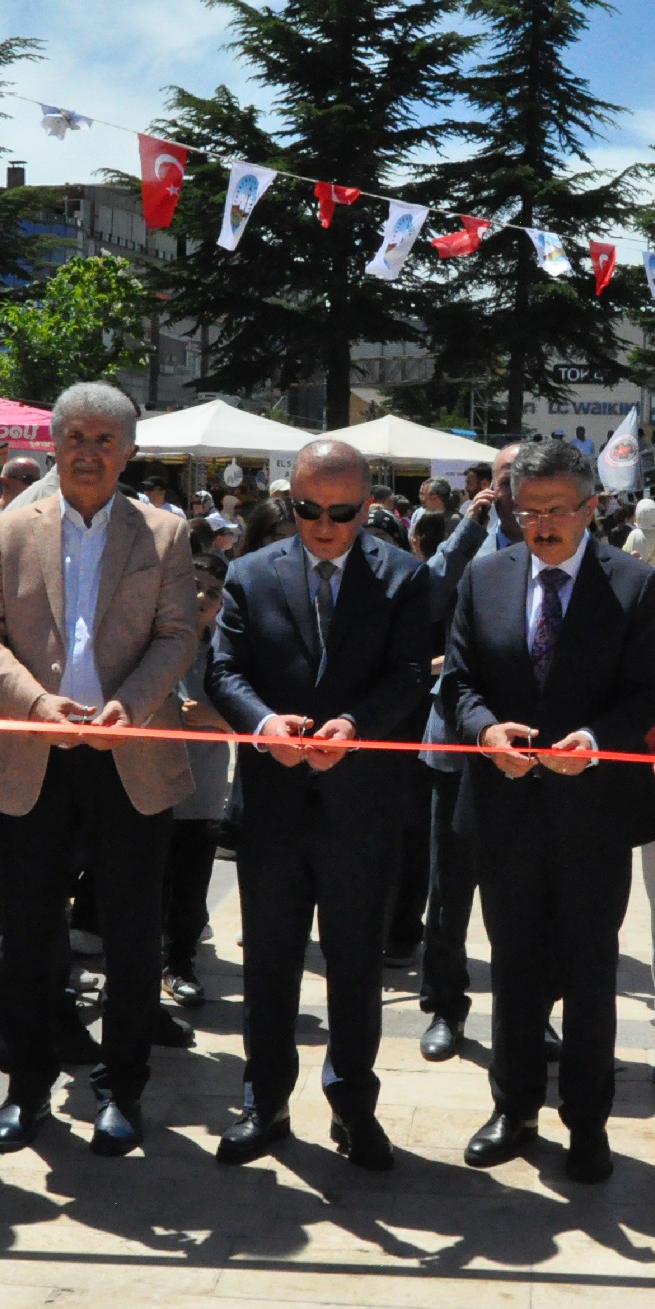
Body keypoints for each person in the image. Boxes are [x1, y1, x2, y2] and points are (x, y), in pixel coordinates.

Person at [0, 382, 196, 1156]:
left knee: (133, 936)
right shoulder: (8, 528)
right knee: (27, 934)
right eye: (76, 437)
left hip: (131, 756)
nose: (89, 452)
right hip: (34, 754)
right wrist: (35, 703)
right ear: (55, 443)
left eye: (106, 440)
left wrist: (133, 702)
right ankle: (25, 1087)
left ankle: (121, 1089)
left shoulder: (164, 534)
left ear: (129, 452)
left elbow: (176, 636)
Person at [440, 438, 655, 1184]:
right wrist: (485, 730)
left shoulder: (634, 585)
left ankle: (588, 1121)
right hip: (504, 807)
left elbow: (643, 696)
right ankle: (514, 1107)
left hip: (593, 814)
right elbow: (460, 682)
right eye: (526, 510)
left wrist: (596, 740)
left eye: (557, 512)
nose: (540, 526)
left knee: (590, 970)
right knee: (513, 968)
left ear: (591, 509)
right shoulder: (484, 577)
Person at [206, 438, 433, 1169]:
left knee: (356, 966)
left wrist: (357, 727)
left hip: (361, 810)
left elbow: (411, 676)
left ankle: (353, 1106)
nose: (324, 525)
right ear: (288, 501)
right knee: (268, 964)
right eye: (308, 510)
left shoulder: (404, 578)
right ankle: (263, 1102)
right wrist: (265, 725)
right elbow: (224, 670)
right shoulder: (247, 575)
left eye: (341, 512)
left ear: (367, 507)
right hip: (273, 806)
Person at [415, 448, 507, 1063]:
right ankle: (445, 1007)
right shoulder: (467, 537)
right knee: (449, 894)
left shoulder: (563, 540)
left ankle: (534, 1009)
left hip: (529, 750)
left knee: (528, 898)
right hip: (456, 744)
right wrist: (472, 524)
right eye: (503, 480)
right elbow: (427, 594)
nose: (512, 492)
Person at [165, 551, 234, 1008]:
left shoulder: (227, 651)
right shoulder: (150, 638)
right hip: (149, 780)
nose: (200, 598)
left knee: (191, 879)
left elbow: (251, 720)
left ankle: (180, 963)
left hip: (202, 788)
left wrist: (217, 718)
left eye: (211, 592)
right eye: (192, 585)